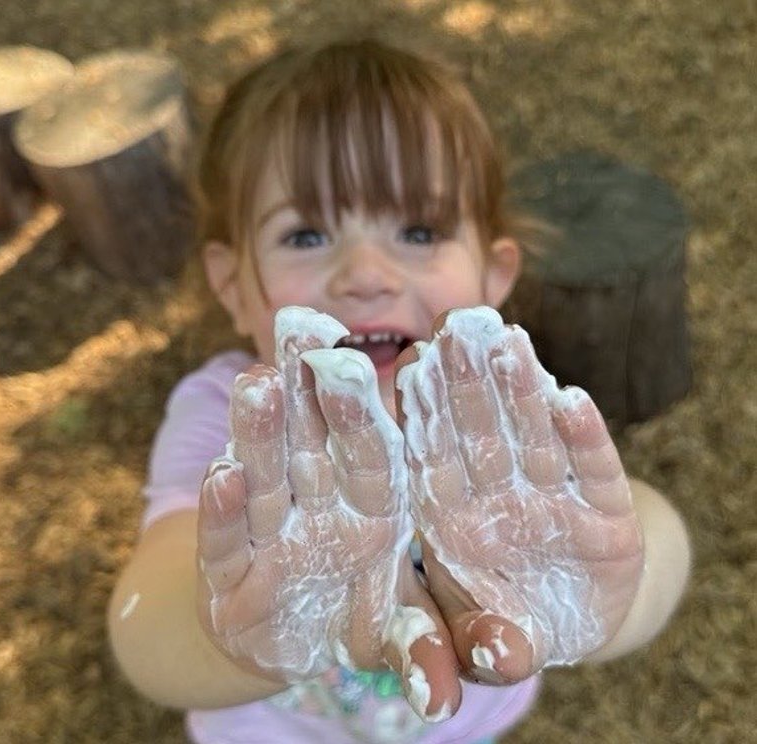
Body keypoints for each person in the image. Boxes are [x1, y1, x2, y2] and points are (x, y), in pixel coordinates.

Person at [107, 37, 691, 744]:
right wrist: (240, 627)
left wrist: (609, 582)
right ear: (232, 286)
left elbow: (644, 528)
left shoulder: (498, 410)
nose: (366, 272)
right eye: (306, 234)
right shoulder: (226, 419)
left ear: (494, 276)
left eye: (418, 229)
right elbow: (147, 624)